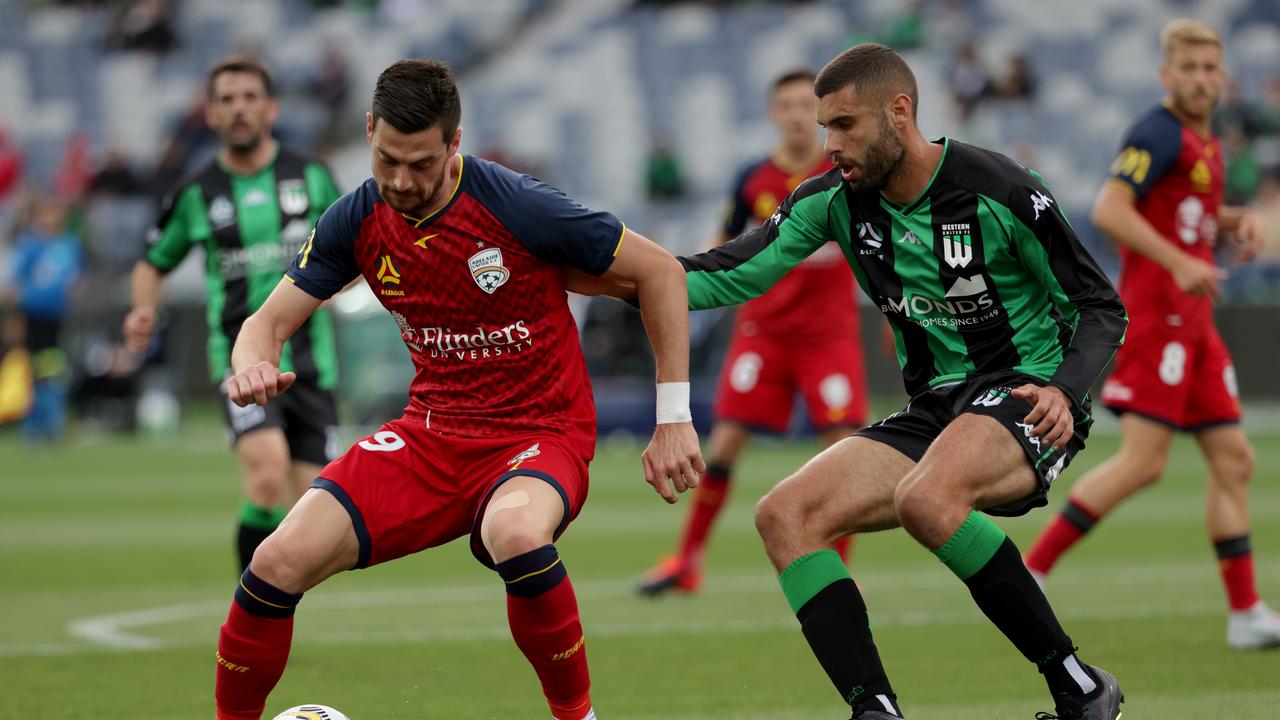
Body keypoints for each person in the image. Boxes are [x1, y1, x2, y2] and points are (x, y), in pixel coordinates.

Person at [586, 42, 1128, 719]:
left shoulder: (1001, 188)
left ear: (899, 113)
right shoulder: (834, 201)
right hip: (935, 406)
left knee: (927, 500)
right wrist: (595, 273)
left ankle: (1079, 687)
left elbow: (1101, 304)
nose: (829, 145)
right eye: (824, 128)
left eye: (844, 126)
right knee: (784, 515)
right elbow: (729, 271)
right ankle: (876, 712)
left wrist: (1065, 389)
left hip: (1025, 392)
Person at [212, 59, 703, 720]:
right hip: (431, 433)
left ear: (455, 143)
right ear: (368, 131)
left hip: (539, 434)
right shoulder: (356, 217)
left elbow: (661, 272)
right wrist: (250, 364)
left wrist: (673, 417)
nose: (401, 180)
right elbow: (264, 325)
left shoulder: (518, 205)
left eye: (421, 163)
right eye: (387, 159)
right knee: (276, 559)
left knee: (517, 535)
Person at [1024, 19, 1280, 651]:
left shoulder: (1207, 138)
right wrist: (1180, 261)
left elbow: (1180, 211)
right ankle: (1032, 571)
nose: (1199, 79)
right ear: (1166, 76)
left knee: (1235, 460)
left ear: (1223, 76)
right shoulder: (1155, 132)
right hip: (1158, 320)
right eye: (1187, 69)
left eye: (1209, 68)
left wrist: (1228, 220)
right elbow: (1112, 208)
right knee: (1142, 465)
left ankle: (1246, 613)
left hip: (1195, 327)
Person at [638, 69, 868, 597]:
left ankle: (843, 576)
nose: (793, 115)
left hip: (828, 336)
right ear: (772, 113)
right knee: (722, 447)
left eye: (800, 105)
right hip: (762, 333)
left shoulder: (846, 173)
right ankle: (687, 562)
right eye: (783, 105)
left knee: (850, 451)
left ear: (816, 113)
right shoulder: (752, 179)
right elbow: (721, 245)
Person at [122, 55, 344, 572]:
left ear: (271, 108)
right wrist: (142, 311)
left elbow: (363, 239)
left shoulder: (311, 176)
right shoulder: (197, 192)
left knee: (312, 511)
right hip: (240, 360)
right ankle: (252, 611)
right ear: (211, 114)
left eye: (249, 98)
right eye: (226, 100)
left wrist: (344, 281)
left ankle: (274, 607)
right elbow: (153, 263)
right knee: (267, 476)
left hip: (313, 362)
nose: (239, 109)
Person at [4, 199, 83, 442]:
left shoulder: (70, 245)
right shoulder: (30, 246)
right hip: (32, 316)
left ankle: (53, 423)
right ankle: (33, 426)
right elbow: (14, 284)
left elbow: (77, 280)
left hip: (57, 317)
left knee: (54, 369)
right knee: (32, 369)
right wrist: (14, 317)